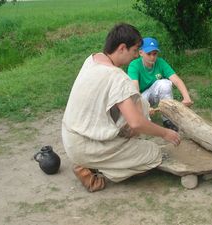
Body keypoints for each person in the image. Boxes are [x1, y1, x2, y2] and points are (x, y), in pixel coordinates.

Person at [61, 23, 180, 192]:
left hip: (70, 137)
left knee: (141, 103)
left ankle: (100, 160)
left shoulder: (93, 59)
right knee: (153, 153)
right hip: (85, 146)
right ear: (122, 48)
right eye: (134, 51)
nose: (134, 56)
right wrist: (166, 133)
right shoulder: (116, 76)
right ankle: (93, 166)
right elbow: (136, 123)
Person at [127, 37, 193, 132]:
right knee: (143, 124)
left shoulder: (160, 62)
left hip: (154, 94)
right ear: (141, 53)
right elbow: (134, 89)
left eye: (155, 54)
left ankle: (168, 119)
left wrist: (187, 98)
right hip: (139, 97)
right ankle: (144, 120)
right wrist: (143, 105)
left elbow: (176, 79)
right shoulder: (134, 65)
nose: (152, 57)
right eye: (148, 54)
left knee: (165, 83)